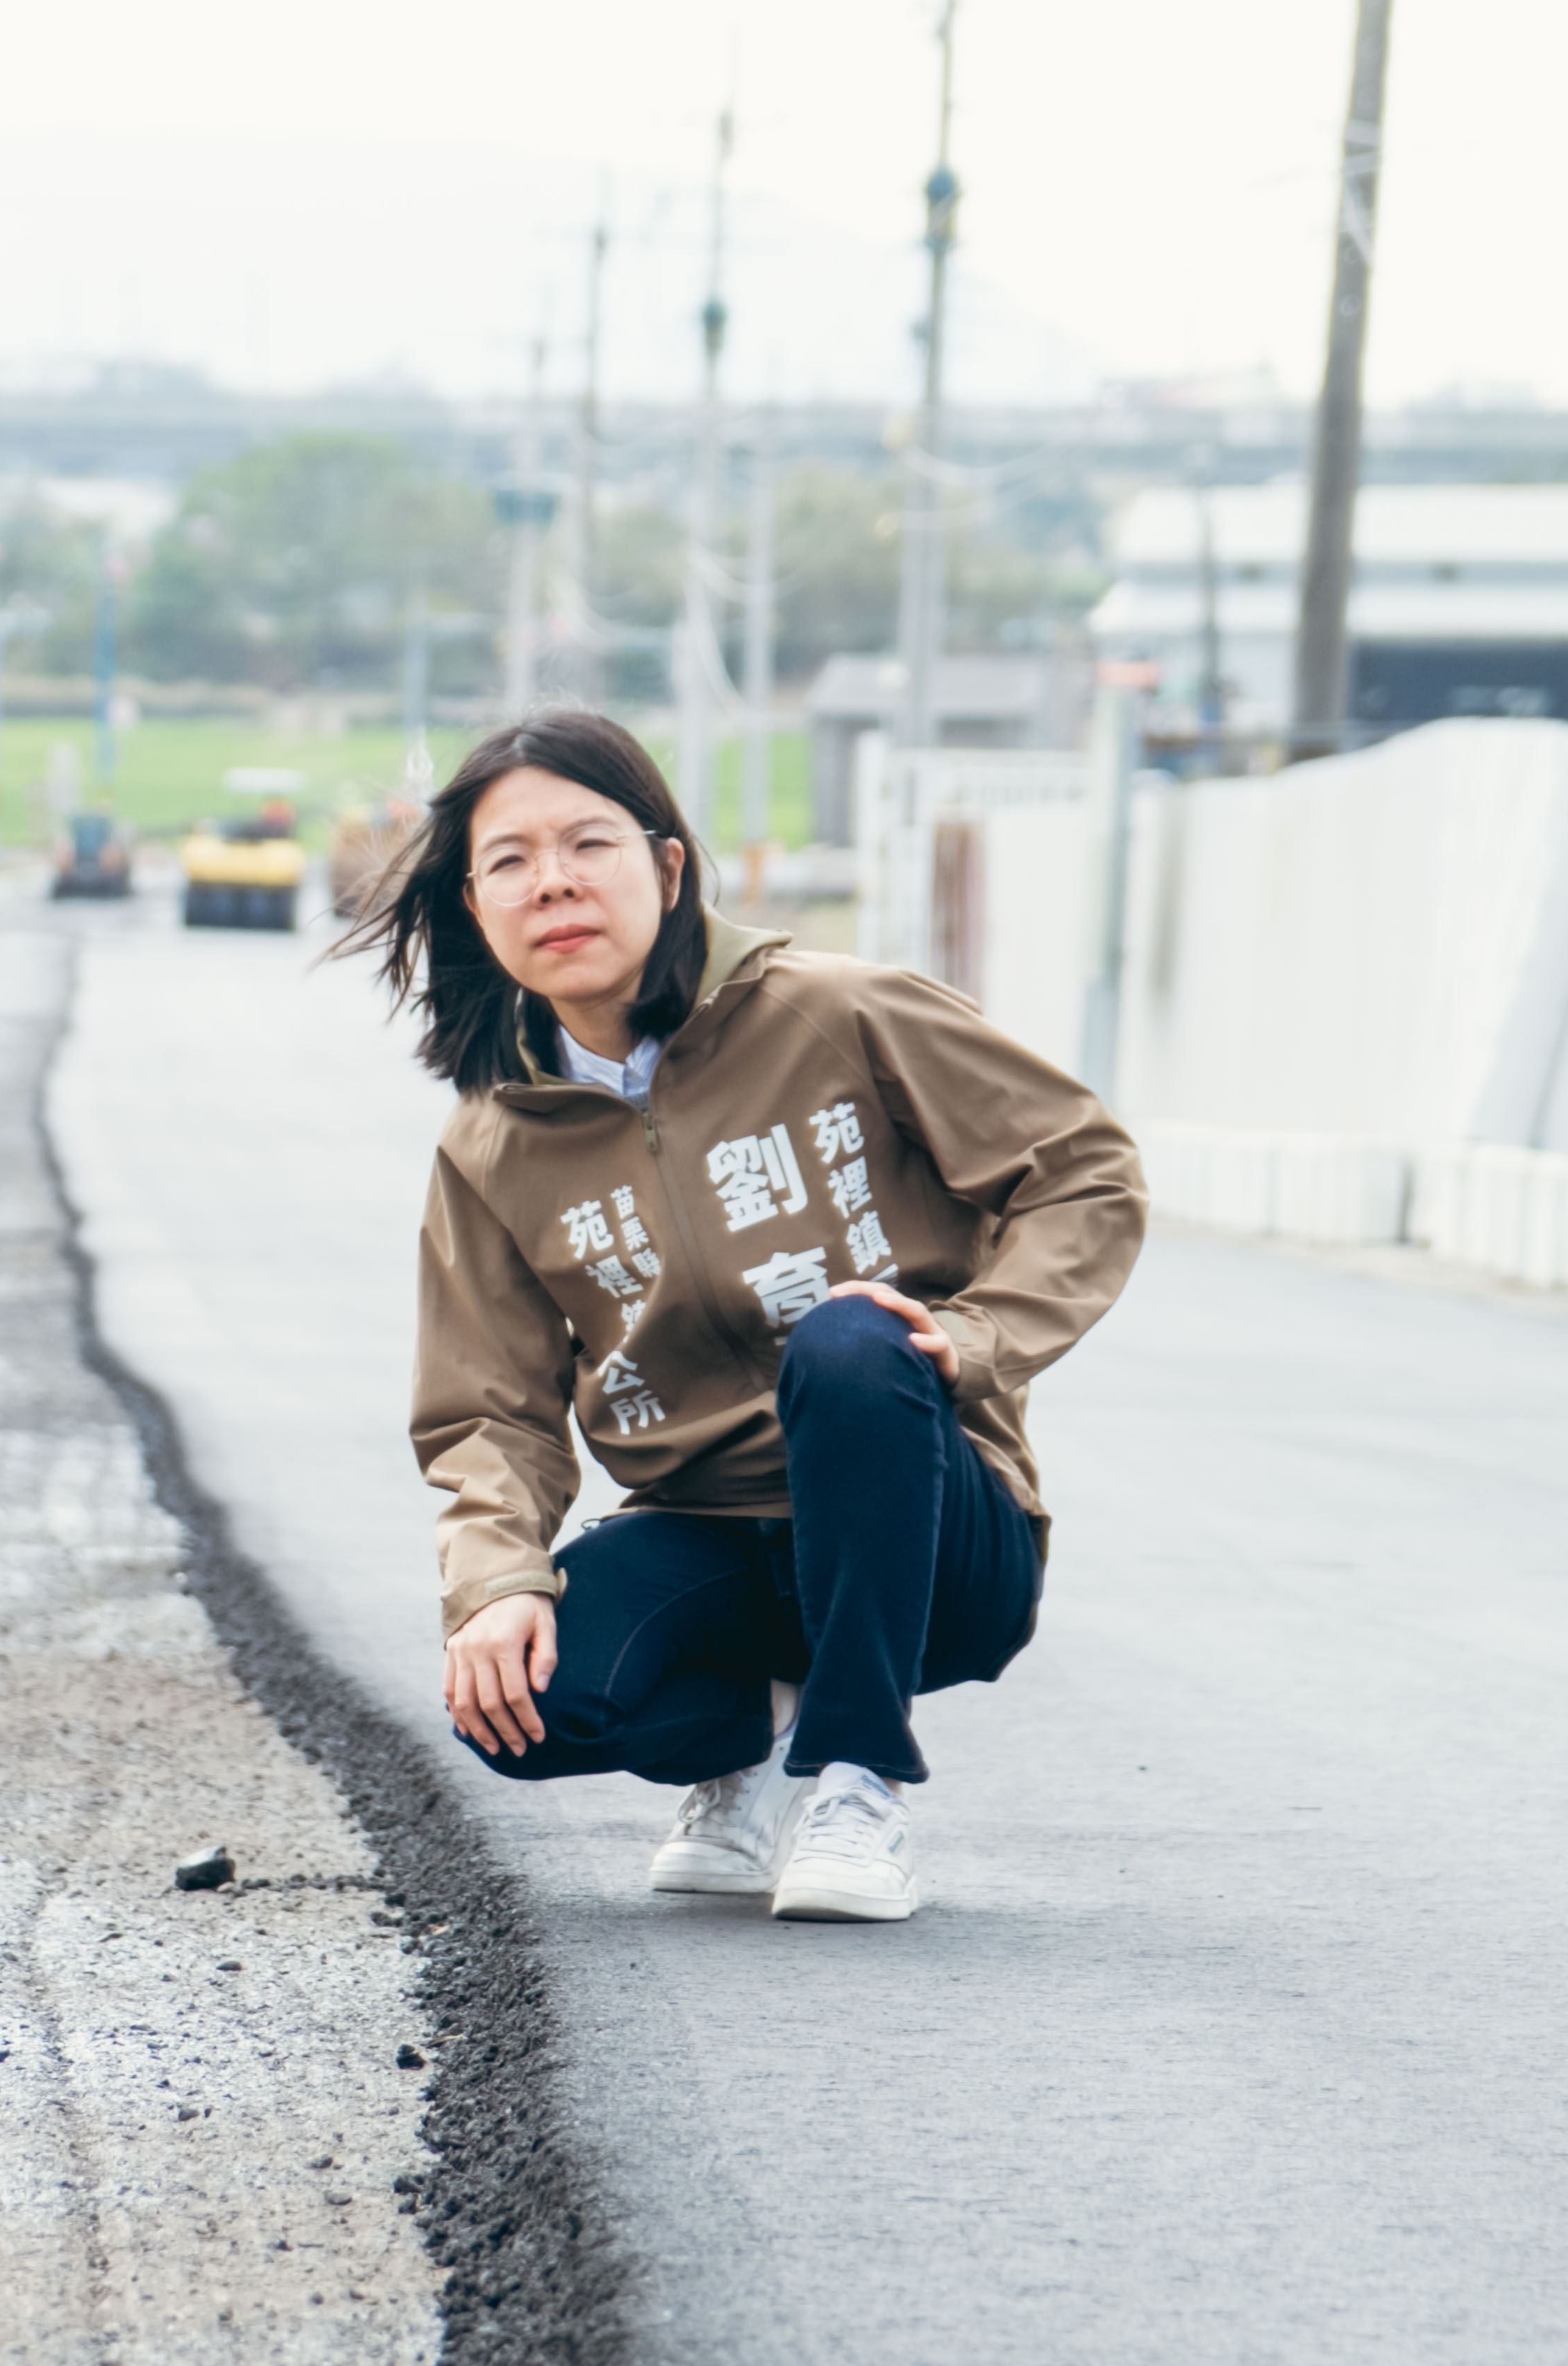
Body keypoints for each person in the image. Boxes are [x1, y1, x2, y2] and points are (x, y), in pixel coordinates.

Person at [339, 709, 1144, 1923]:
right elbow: (485, 1408)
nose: (552, 881)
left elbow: (1083, 1170)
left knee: (851, 1337)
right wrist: (497, 1583)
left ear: (667, 869)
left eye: (587, 844)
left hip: (933, 1535)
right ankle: (759, 1735)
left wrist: (976, 1340)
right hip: (710, 1532)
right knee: (515, 1706)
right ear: (475, 908)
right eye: (509, 861)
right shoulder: (492, 1140)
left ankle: (858, 1776)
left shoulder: (840, 1011)